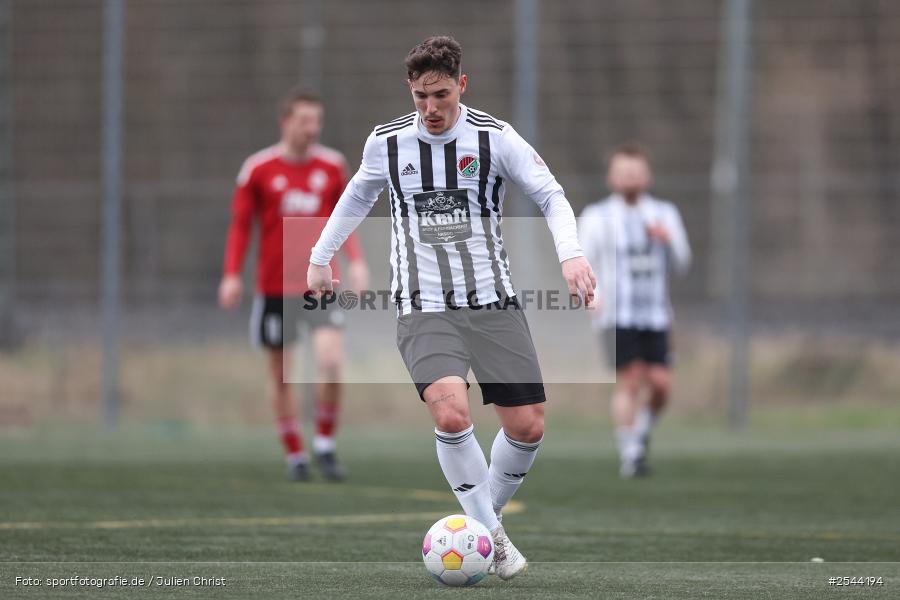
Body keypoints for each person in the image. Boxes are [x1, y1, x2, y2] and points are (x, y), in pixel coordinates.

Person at [307, 35, 595, 580]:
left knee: (528, 426)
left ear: (461, 85)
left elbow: (551, 194)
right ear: (409, 92)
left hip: (493, 303)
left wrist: (572, 256)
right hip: (423, 306)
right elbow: (357, 196)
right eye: (420, 97)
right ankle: (495, 541)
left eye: (441, 94)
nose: (431, 108)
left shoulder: (495, 138)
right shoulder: (386, 144)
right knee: (451, 412)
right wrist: (320, 257)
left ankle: (483, 521)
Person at [218, 87, 369, 482]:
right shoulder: (258, 169)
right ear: (285, 121)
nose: (312, 129)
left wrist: (358, 262)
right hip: (274, 288)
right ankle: (295, 455)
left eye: (317, 121)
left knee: (331, 363)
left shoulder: (333, 166)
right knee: (281, 375)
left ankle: (324, 444)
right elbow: (240, 227)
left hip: (320, 286)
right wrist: (232, 273)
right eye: (304, 121)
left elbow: (347, 217)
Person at [578, 144, 691, 478]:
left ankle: (638, 434)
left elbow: (684, 262)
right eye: (623, 171)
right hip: (616, 315)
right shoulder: (597, 216)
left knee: (661, 384)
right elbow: (584, 261)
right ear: (611, 177)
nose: (630, 178)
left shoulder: (664, 213)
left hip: (655, 315)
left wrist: (668, 240)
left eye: (636, 171)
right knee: (629, 381)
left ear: (647, 176)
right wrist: (592, 297)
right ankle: (631, 453)